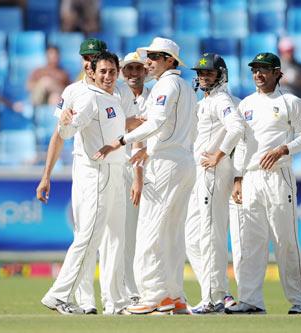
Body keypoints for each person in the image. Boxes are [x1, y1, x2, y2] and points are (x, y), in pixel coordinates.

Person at [94, 37, 197, 315]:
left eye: (154, 56)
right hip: (182, 160)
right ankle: (174, 295)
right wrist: (151, 149)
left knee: (150, 232)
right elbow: (179, 128)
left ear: (170, 60)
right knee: (172, 233)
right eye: (148, 55)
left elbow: (157, 122)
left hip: (166, 163)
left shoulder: (166, 85)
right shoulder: (185, 87)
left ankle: (152, 296)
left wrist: (121, 141)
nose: (148, 61)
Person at [41, 51, 129, 315]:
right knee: (89, 237)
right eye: (102, 71)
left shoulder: (114, 97)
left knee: (116, 239)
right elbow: (67, 132)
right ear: (92, 72)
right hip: (98, 173)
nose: (107, 76)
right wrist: (66, 123)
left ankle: (115, 303)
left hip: (117, 172)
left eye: (112, 71)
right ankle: (59, 295)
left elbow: (123, 127)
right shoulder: (89, 98)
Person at [226, 52, 301, 315]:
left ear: (278, 73)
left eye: (264, 69)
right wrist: (238, 178)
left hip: (279, 176)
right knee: (250, 243)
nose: (258, 74)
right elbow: (241, 146)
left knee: (285, 240)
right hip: (251, 178)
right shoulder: (246, 104)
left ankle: (299, 301)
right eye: (255, 70)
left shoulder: (291, 102)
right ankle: (251, 301)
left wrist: (282, 149)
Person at [37, 38, 107, 315]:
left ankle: (103, 298)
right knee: (85, 234)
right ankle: (82, 299)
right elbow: (59, 134)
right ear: (81, 60)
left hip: (114, 167)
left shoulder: (115, 88)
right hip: (85, 167)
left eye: (96, 57)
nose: (91, 62)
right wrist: (46, 176)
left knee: (105, 237)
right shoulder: (73, 90)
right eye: (87, 57)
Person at [185, 53, 244, 314]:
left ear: (221, 75)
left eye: (209, 73)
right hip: (201, 172)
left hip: (214, 171)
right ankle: (221, 292)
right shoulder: (205, 101)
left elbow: (237, 127)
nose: (203, 77)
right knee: (192, 239)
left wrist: (219, 154)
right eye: (201, 73)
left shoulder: (221, 100)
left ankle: (211, 299)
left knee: (210, 235)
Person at [118, 51, 151, 304]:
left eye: (137, 69)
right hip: (126, 170)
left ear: (145, 71)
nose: (133, 74)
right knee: (128, 234)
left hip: (155, 172)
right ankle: (130, 290)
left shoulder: (156, 96)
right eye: (128, 69)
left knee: (150, 234)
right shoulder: (116, 97)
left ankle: (148, 287)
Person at [277, 37, 301, 114]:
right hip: (282, 96)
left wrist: (298, 80)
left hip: (298, 96)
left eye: (291, 51)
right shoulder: (277, 65)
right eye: (287, 51)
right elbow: (270, 82)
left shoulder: (300, 66)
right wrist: (284, 79)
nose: (289, 53)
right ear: (281, 51)